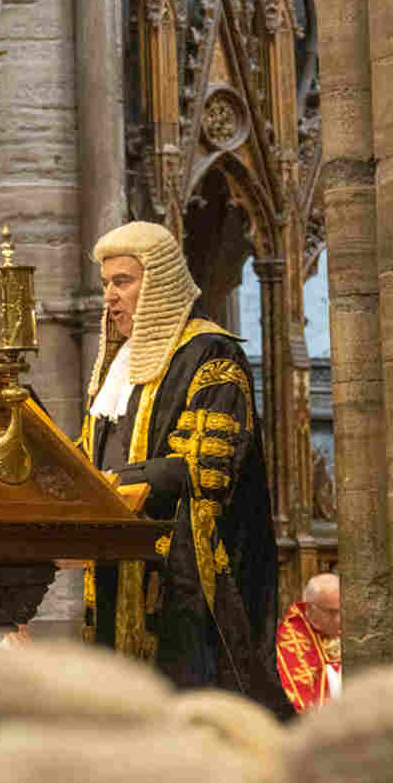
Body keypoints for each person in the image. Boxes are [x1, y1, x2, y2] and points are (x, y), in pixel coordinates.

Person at [79, 220, 286, 718]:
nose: (109, 296)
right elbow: (88, 452)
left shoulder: (211, 353)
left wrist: (115, 483)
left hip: (183, 577)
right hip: (116, 560)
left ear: (160, 284)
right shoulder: (118, 365)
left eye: (122, 281)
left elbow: (208, 471)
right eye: (105, 283)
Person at [276, 572, 343, 712]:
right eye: (332, 612)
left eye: (343, 610)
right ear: (310, 609)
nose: (340, 619)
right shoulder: (288, 641)